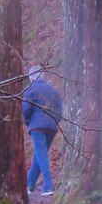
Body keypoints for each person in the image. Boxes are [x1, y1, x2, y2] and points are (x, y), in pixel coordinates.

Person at [22, 65, 62, 196]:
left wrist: (28, 123)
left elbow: (26, 110)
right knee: (39, 156)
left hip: (37, 127)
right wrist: (54, 122)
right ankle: (29, 185)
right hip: (51, 127)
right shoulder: (54, 91)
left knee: (41, 156)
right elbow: (60, 111)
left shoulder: (31, 90)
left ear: (31, 78)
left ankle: (48, 187)